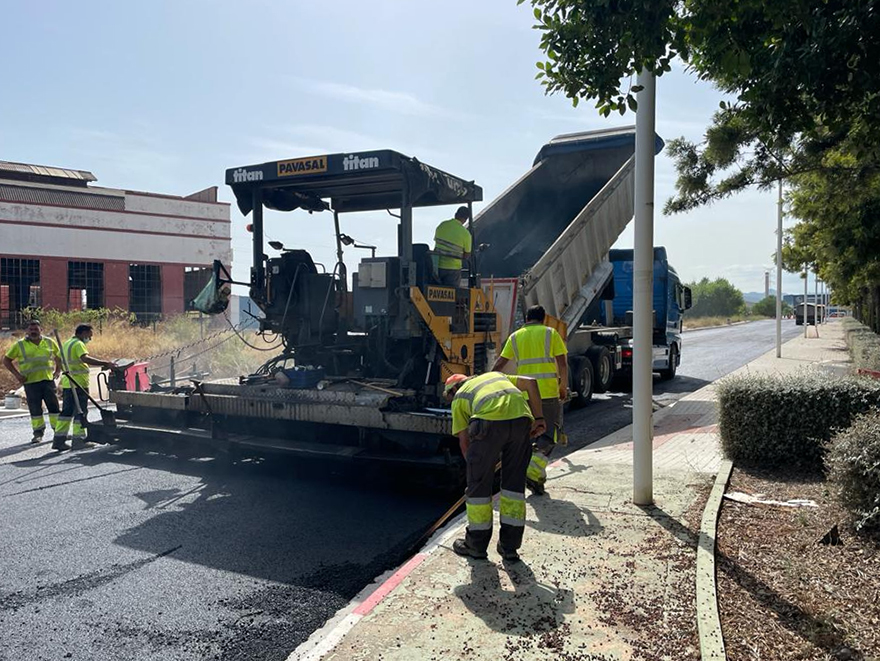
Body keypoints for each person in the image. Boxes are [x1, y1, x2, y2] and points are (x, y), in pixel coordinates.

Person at [445, 371, 545, 562]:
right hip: (522, 420)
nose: (450, 400)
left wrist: (477, 472)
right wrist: (539, 418)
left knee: (479, 491)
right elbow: (531, 382)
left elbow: (464, 443)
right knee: (514, 489)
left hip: (487, 423)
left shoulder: (460, 397)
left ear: (453, 389)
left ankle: (475, 545)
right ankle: (509, 548)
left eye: (449, 396)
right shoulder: (496, 376)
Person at [493, 305, 568, 496]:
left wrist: (491, 382)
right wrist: (563, 386)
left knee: (528, 436)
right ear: (543, 318)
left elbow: (500, 363)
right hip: (548, 393)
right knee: (548, 436)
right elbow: (562, 363)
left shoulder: (515, 336)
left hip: (524, 394)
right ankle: (533, 471)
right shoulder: (551, 333)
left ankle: (536, 480)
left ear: (527, 318)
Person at [55, 324, 114, 451]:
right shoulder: (78, 344)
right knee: (80, 412)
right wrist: (105, 363)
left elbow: (57, 358)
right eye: (89, 336)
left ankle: (58, 441)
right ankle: (79, 440)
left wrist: (64, 370)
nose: (90, 339)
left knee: (66, 412)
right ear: (83, 333)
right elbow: (85, 358)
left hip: (68, 383)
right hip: (78, 384)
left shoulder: (67, 344)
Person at [2, 320, 62, 443]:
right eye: (31, 329)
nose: (33, 331)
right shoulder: (20, 345)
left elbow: (58, 357)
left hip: (47, 380)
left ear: (41, 330)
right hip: (30, 382)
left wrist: (57, 371)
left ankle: (59, 432)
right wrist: (17, 375)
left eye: (36, 329)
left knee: (54, 407)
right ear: (27, 331)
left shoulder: (49, 342)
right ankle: (38, 433)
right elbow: (7, 360)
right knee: (35, 409)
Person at [433, 206, 473, 287]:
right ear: (466, 219)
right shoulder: (465, 234)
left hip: (437, 267)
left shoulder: (442, 225)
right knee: (452, 294)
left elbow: (436, 242)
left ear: (455, 214)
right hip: (453, 270)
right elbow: (466, 255)